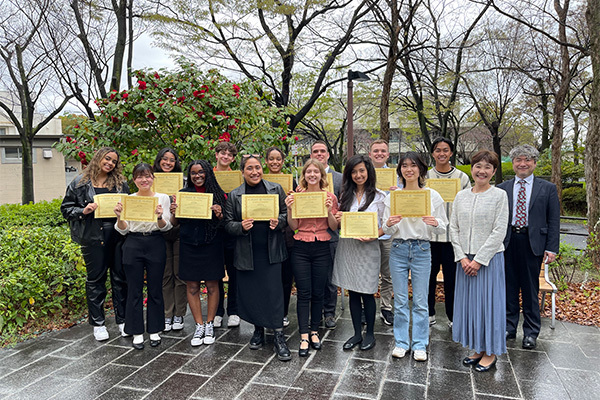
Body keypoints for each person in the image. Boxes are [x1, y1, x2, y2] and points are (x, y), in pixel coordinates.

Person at [224, 154, 291, 361]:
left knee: (274, 293)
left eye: (258, 168)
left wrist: (279, 222)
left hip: (271, 251)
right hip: (248, 253)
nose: (255, 172)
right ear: (242, 172)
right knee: (254, 293)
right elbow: (227, 224)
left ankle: (278, 334)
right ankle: (258, 330)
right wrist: (241, 227)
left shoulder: (275, 189)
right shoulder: (235, 195)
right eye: (250, 168)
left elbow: (285, 215)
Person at [383, 152, 447, 362]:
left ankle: (420, 344)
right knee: (400, 300)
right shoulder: (392, 197)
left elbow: (442, 226)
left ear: (421, 169)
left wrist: (434, 222)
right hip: (398, 248)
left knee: (420, 300)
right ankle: (401, 342)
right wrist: (389, 224)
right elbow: (386, 229)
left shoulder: (432, 195)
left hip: (422, 249)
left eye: (413, 165)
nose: (408, 170)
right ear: (399, 170)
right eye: (404, 166)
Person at [61, 147, 129, 342]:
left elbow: (129, 208)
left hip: (118, 236)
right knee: (95, 280)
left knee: (120, 279)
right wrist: (83, 211)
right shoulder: (79, 182)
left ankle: (123, 320)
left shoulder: (120, 183)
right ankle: (98, 323)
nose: (110, 163)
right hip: (92, 237)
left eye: (114, 161)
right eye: (107, 159)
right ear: (98, 158)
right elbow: (66, 209)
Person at [450, 150, 509, 372]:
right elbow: (453, 228)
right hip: (464, 261)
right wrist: (462, 257)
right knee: (471, 307)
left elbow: (499, 231)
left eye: (487, 167)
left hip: (489, 261)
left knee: (489, 307)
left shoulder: (499, 196)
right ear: (471, 168)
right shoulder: (461, 196)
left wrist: (479, 260)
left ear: (493, 171)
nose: (481, 171)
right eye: (478, 166)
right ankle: (477, 348)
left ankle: (491, 352)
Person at [498, 145, 560, 350]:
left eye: (527, 160)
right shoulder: (503, 188)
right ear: (513, 163)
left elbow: (553, 220)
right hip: (507, 242)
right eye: (518, 160)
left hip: (533, 243)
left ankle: (531, 332)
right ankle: (509, 327)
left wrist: (552, 248)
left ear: (534, 163)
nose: (522, 164)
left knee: (530, 289)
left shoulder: (547, 188)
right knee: (509, 287)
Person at [114, 163, 172, 350]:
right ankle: (136, 331)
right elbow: (123, 230)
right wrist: (119, 217)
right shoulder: (128, 199)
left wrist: (160, 217)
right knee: (134, 289)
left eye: (147, 176)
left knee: (155, 288)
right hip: (133, 243)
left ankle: (155, 329)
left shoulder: (162, 198)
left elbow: (166, 227)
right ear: (134, 180)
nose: (144, 180)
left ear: (153, 178)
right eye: (140, 176)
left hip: (155, 242)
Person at [284, 159, 339, 357]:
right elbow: (294, 226)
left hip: (322, 246)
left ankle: (315, 331)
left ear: (321, 175)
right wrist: (290, 209)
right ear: (304, 175)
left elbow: (334, 226)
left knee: (318, 292)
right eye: (309, 172)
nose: (312, 175)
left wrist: (328, 211)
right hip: (301, 247)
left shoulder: (330, 197)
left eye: (316, 171)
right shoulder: (297, 197)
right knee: (304, 292)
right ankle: (304, 335)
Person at [170, 160, 227, 346]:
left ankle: (209, 324)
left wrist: (219, 214)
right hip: (189, 245)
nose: (197, 176)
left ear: (208, 173)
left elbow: (225, 223)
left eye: (201, 172)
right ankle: (199, 325)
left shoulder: (218, 194)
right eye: (193, 173)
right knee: (192, 286)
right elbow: (175, 223)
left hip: (211, 245)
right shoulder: (183, 194)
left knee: (212, 285)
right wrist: (174, 212)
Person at [332, 155, 386, 351]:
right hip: (348, 246)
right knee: (353, 291)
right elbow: (339, 224)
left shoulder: (380, 197)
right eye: (354, 172)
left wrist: (374, 235)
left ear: (368, 172)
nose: (358, 175)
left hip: (369, 248)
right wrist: (338, 218)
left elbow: (386, 225)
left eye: (361, 170)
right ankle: (356, 333)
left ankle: (369, 333)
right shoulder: (345, 195)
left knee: (368, 291)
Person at [425, 137, 471, 329]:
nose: (441, 153)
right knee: (428, 278)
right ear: (433, 153)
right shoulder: (425, 177)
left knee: (452, 280)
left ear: (451, 153)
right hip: (429, 237)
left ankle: (453, 316)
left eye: (445, 150)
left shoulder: (462, 178)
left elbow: (468, 205)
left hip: (453, 239)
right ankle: (429, 313)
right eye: (437, 150)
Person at [152, 148, 187, 333]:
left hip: (180, 231)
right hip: (159, 231)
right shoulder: (151, 181)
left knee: (180, 274)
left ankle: (179, 314)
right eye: (164, 159)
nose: (168, 163)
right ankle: (167, 314)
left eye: (172, 160)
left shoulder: (183, 181)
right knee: (165, 275)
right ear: (159, 160)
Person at [310, 140, 342, 329]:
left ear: (328, 154)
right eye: (316, 151)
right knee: (313, 277)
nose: (319, 154)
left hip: (331, 234)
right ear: (311, 155)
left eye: (322, 151)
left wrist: (338, 212)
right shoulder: (305, 179)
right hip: (310, 235)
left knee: (330, 278)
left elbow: (345, 201)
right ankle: (315, 311)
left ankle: (329, 312)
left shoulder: (338, 178)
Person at [265, 146, 297, 328]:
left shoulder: (291, 181)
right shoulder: (260, 180)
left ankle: (283, 312)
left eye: (278, 159)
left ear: (283, 161)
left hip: (286, 235)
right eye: (271, 158)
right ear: (266, 161)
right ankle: (268, 311)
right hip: (266, 234)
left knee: (285, 277)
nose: (275, 162)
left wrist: (295, 197)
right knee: (268, 278)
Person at [368, 139, 396, 326]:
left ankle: (386, 308)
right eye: (376, 151)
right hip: (367, 233)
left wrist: (397, 193)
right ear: (370, 154)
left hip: (387, 234)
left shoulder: (396, 177)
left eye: (382, 151)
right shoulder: (363, 174)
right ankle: (366, 307)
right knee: (367, 273)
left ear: (387, 154)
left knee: (387, 274)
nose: (379, 154)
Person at [213, 141, 240, 328]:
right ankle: (217, 311)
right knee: (215, 272)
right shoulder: (208, 175)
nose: (226, 157)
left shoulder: (237, 177)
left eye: (230, 155)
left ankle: (234, 310)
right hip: (213, 229)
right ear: (216, 155)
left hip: (232, 228)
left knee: (233, 271)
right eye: (223, 153)